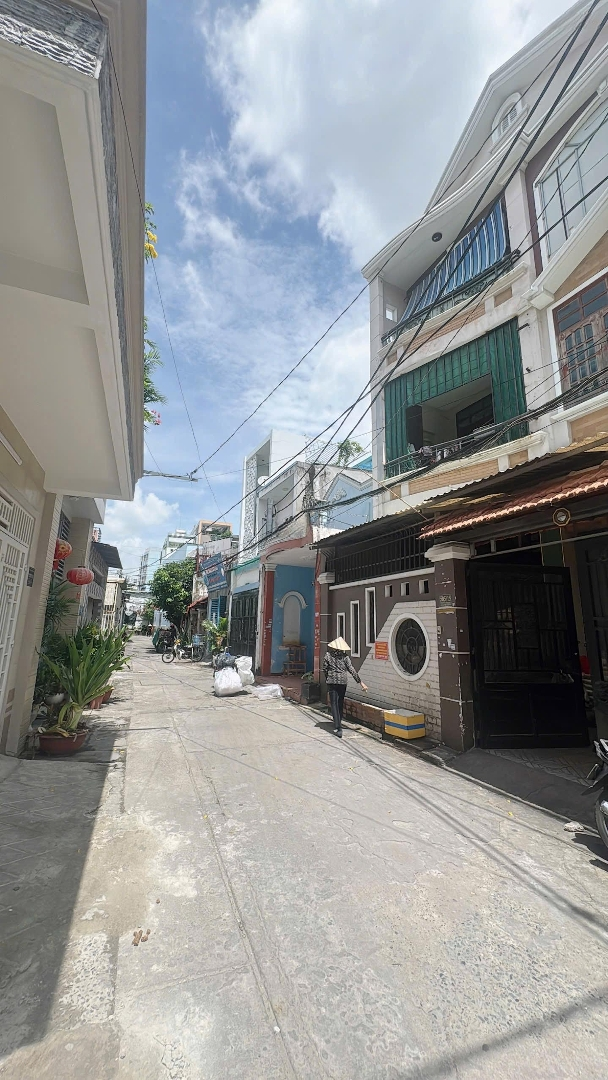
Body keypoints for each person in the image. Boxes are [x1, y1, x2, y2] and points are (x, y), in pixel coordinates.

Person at [322, 636, 368, 739]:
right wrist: (361, 683)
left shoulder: (328, 655)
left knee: (333, 703)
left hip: (332, 681)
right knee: (340, 702)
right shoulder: (345, 657)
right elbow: (352, 670)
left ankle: (338, 726)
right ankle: (339, 721)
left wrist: (328, 678)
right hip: (343, 682)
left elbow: (324, 669)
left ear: (334, 647)